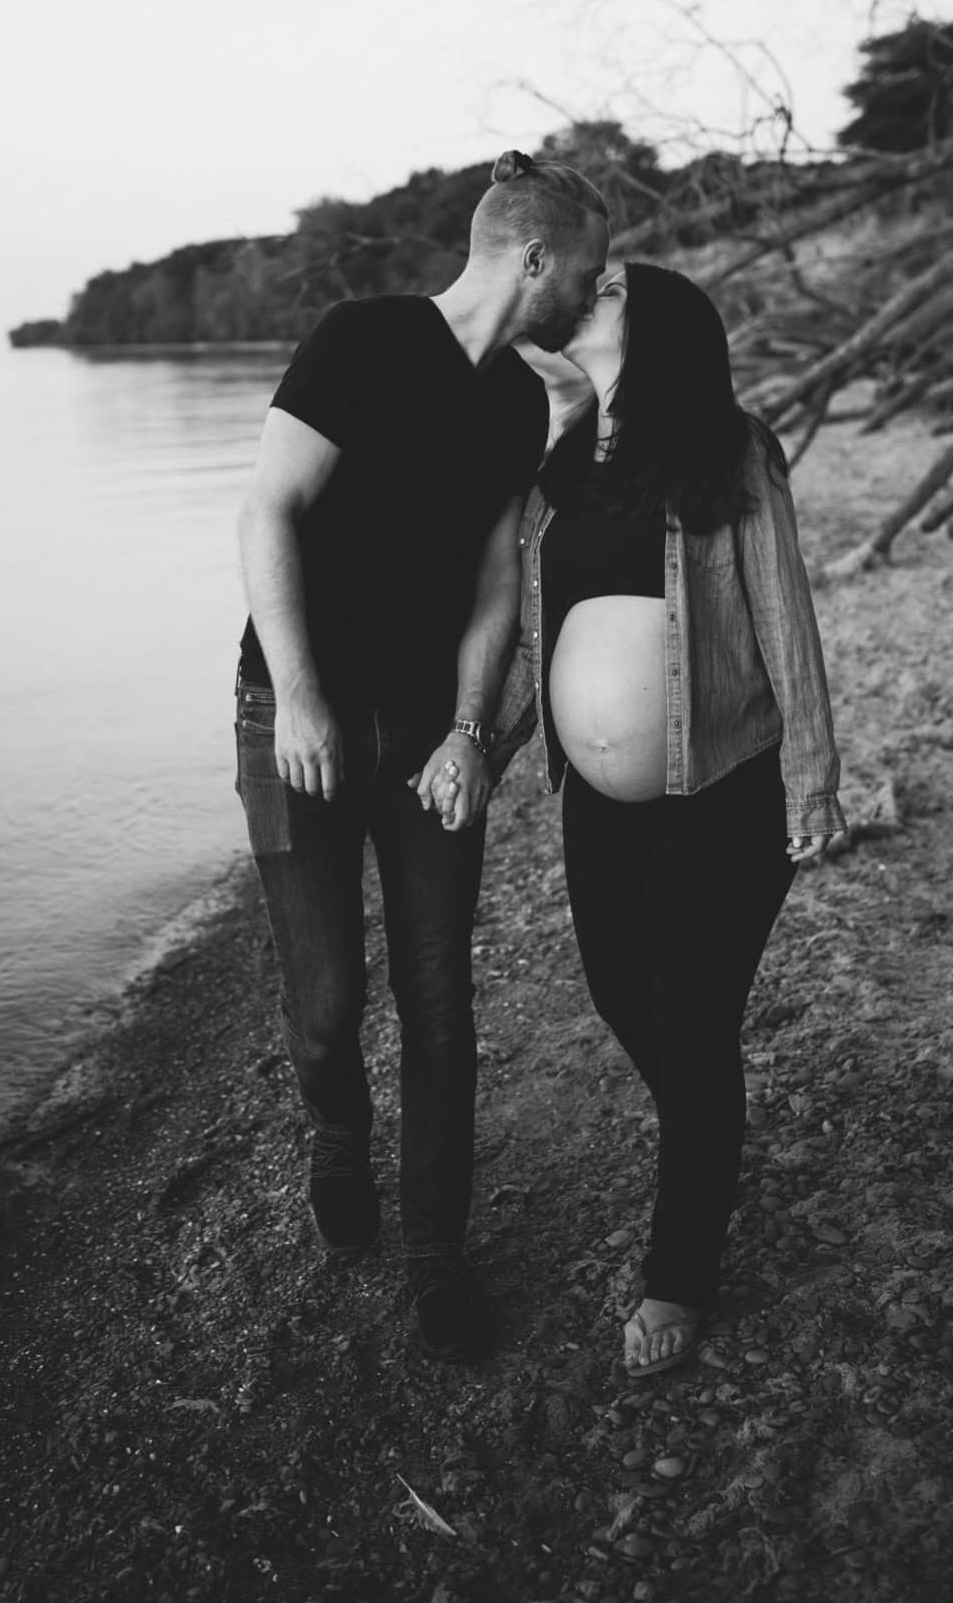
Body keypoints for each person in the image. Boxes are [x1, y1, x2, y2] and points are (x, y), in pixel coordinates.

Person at [233, 150, 611, 1362]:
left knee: (439, 1003)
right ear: (536, 258)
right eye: (588, 272)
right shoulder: (362, 340)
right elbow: (269, 512)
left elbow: (501, 576)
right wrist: (300, 700)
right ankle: (335, 1134)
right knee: (328, 1008)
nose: (595, 294)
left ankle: (437, 1264)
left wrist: (467, 732)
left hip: (424, 736)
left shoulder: (519, 400)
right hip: (292, 714)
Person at [480, 261, 842, 1377]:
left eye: (613, 285)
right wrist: (480, 745)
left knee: (689, 1021)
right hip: (598, 806)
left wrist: (818, 774)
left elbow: (785, 610)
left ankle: (680, 1272)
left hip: (724, 792)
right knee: (617, 992)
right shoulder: (562, 461)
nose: (592, 288)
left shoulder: (730, 449)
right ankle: (709, 1131)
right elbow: (540, 631)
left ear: (662, 329)